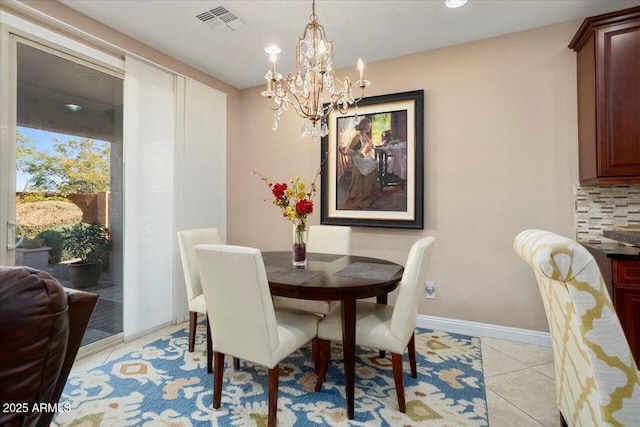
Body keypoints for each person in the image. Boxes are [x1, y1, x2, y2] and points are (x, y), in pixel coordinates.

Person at [343, 117, 380, 209]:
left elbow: (371, 144)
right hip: (356, 158)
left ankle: (368, 191)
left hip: (361, 157)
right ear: (364, 126)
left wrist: (369, 145)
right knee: (371, 163)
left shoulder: (364, 136)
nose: (369, 128)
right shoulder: (357, 137)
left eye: (370, 126)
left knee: (374, 162)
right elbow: (347, 151)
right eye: (368, 126)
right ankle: (362, 193)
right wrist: (357, 153)